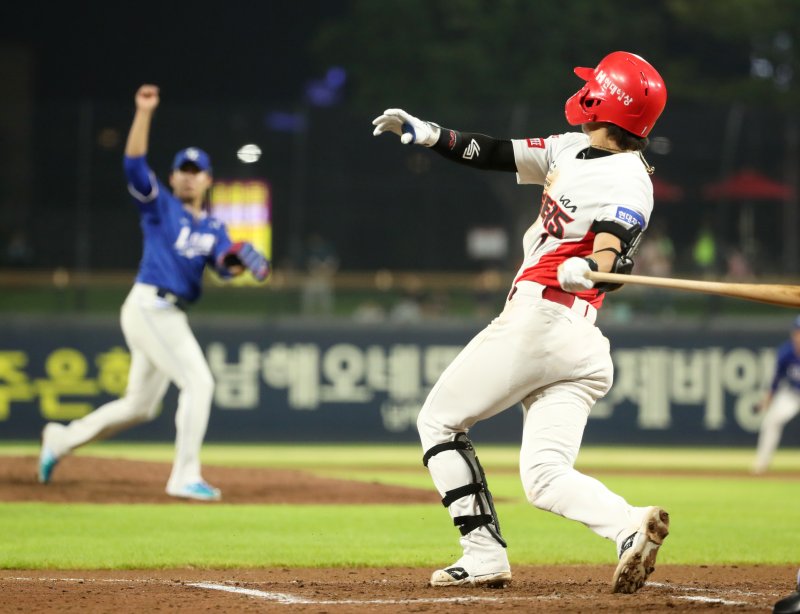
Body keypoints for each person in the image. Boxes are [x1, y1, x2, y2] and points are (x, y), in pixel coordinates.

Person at [373, 51, 669, 593]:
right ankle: (630, 523)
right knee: (544, 478)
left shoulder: (630, 180)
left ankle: (482, 553)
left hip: (543, 321)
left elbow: (612, 251)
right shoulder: (568, 146)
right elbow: (494, 152)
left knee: (437, 422)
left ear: (606, 100)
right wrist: (429, 133)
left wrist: (596, 270)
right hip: (575, 346)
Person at [38, 84, 270, 501]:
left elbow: (223, 265)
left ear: (208, 179)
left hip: (168, 313)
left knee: (140, 406)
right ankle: (184, 475)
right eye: (183, 168)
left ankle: (60, 439)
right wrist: (143, 112)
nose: (188, 174)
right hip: (150, 304)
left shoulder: (214, 228)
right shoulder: (160, 206)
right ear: (173, 175)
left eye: (196, 170)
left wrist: (241, 260)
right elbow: (132, 164)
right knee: (199, 383)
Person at [752, 315, 800, 475]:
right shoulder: (785, 352)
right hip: (793, 394)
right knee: (771, 421)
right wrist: (768, 399)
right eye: (798, 332)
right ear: (793, 333)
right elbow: (776, 380)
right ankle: (760, 465)